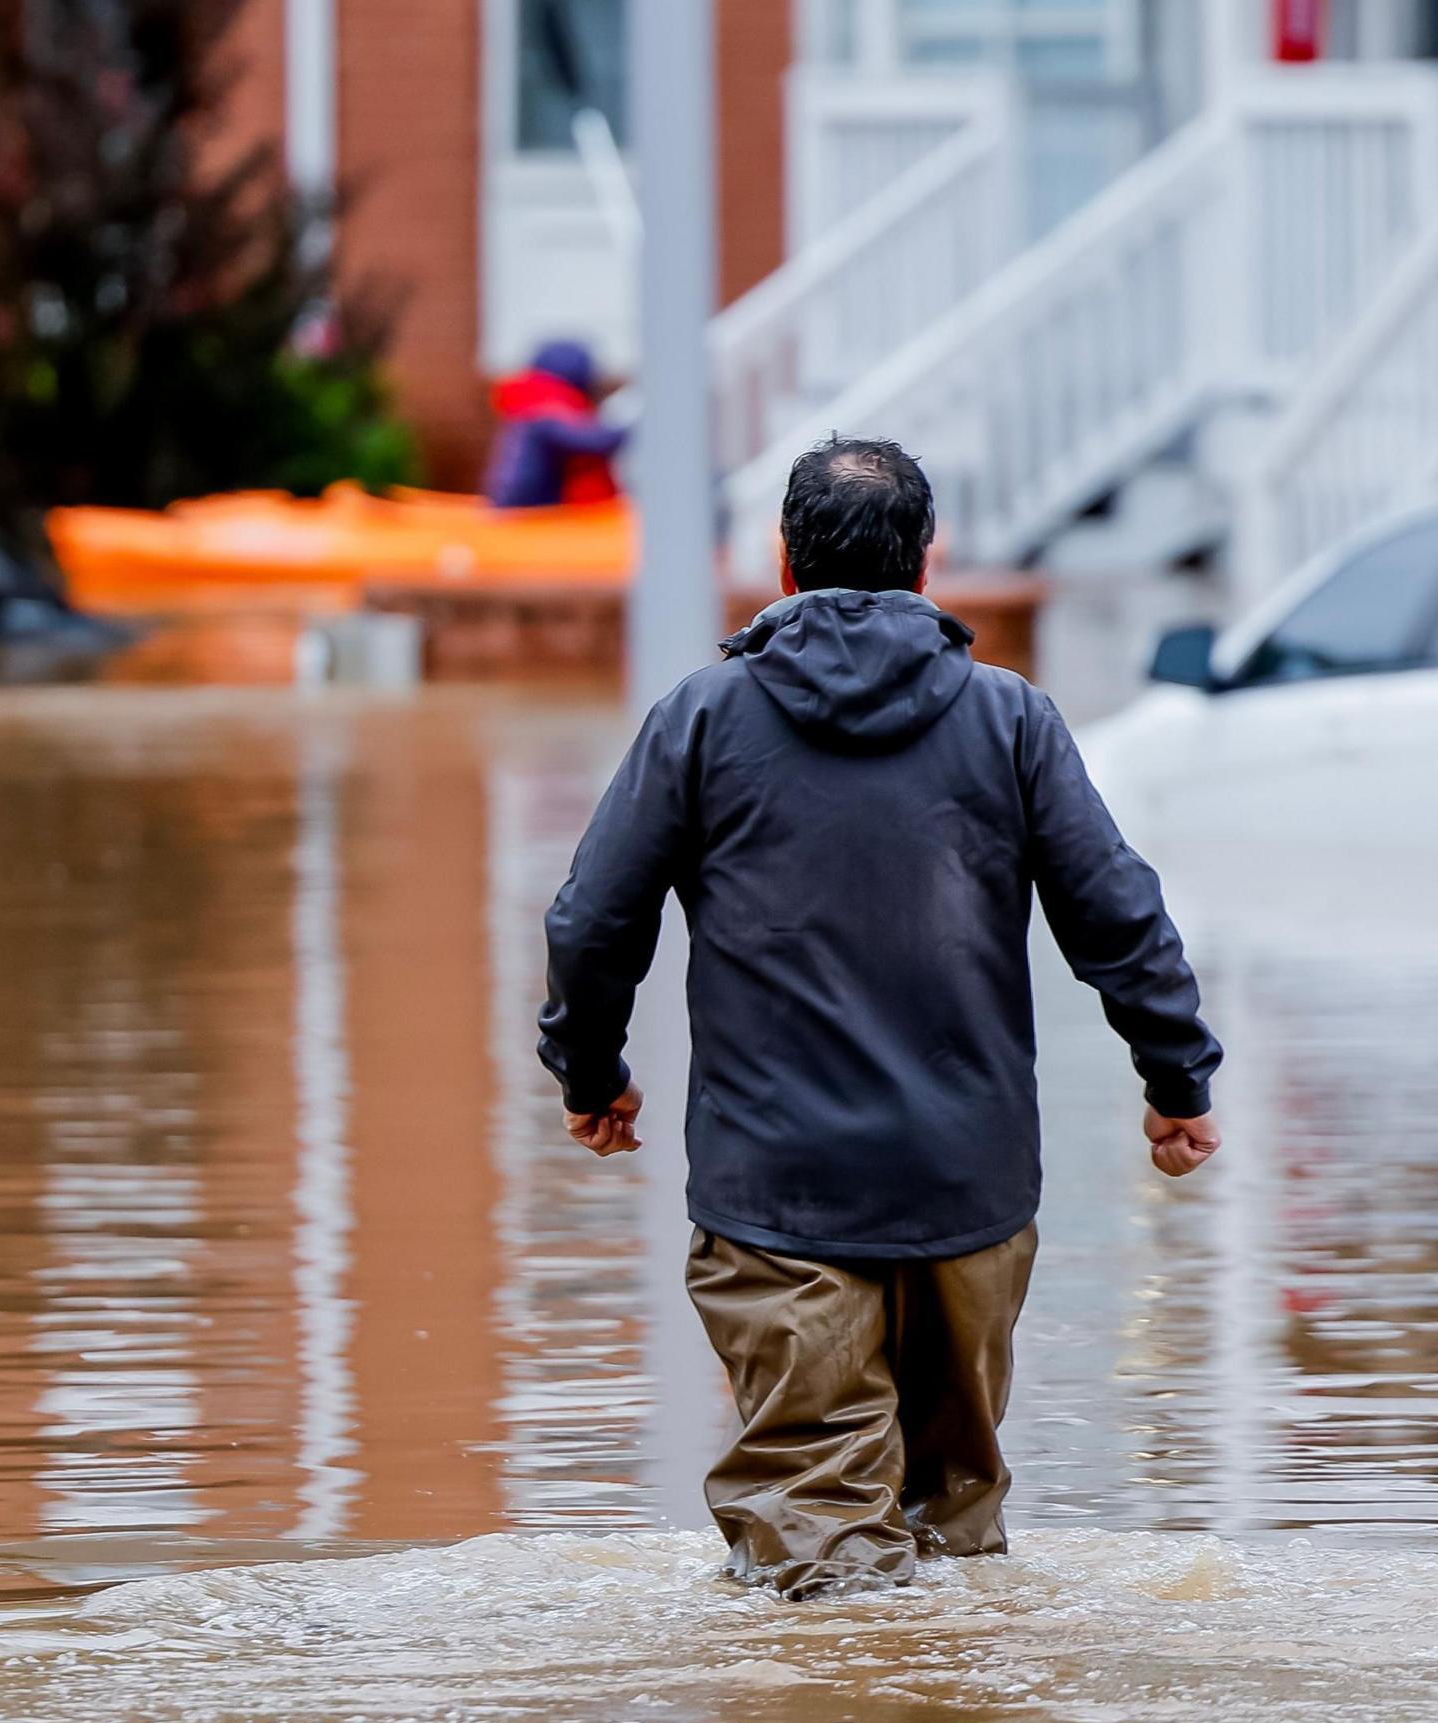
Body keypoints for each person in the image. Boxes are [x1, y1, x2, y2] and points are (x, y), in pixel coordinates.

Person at [536, 436, 1224, 1600]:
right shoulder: (1011, 719)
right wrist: (1176, 1080)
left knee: (820, 1551)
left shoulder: (704, 719)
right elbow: (1117, 911)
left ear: (782, 564)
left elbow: (593, 919)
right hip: (970, 1193)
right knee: (953, 1526)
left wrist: (589, 1072)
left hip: (779, 1196)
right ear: (928, 561)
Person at [482, 339, 627, 510]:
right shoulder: (546, 410)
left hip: (521, 505)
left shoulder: (529, 402)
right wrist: (628, 429)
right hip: (528, 510)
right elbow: (590, 441)